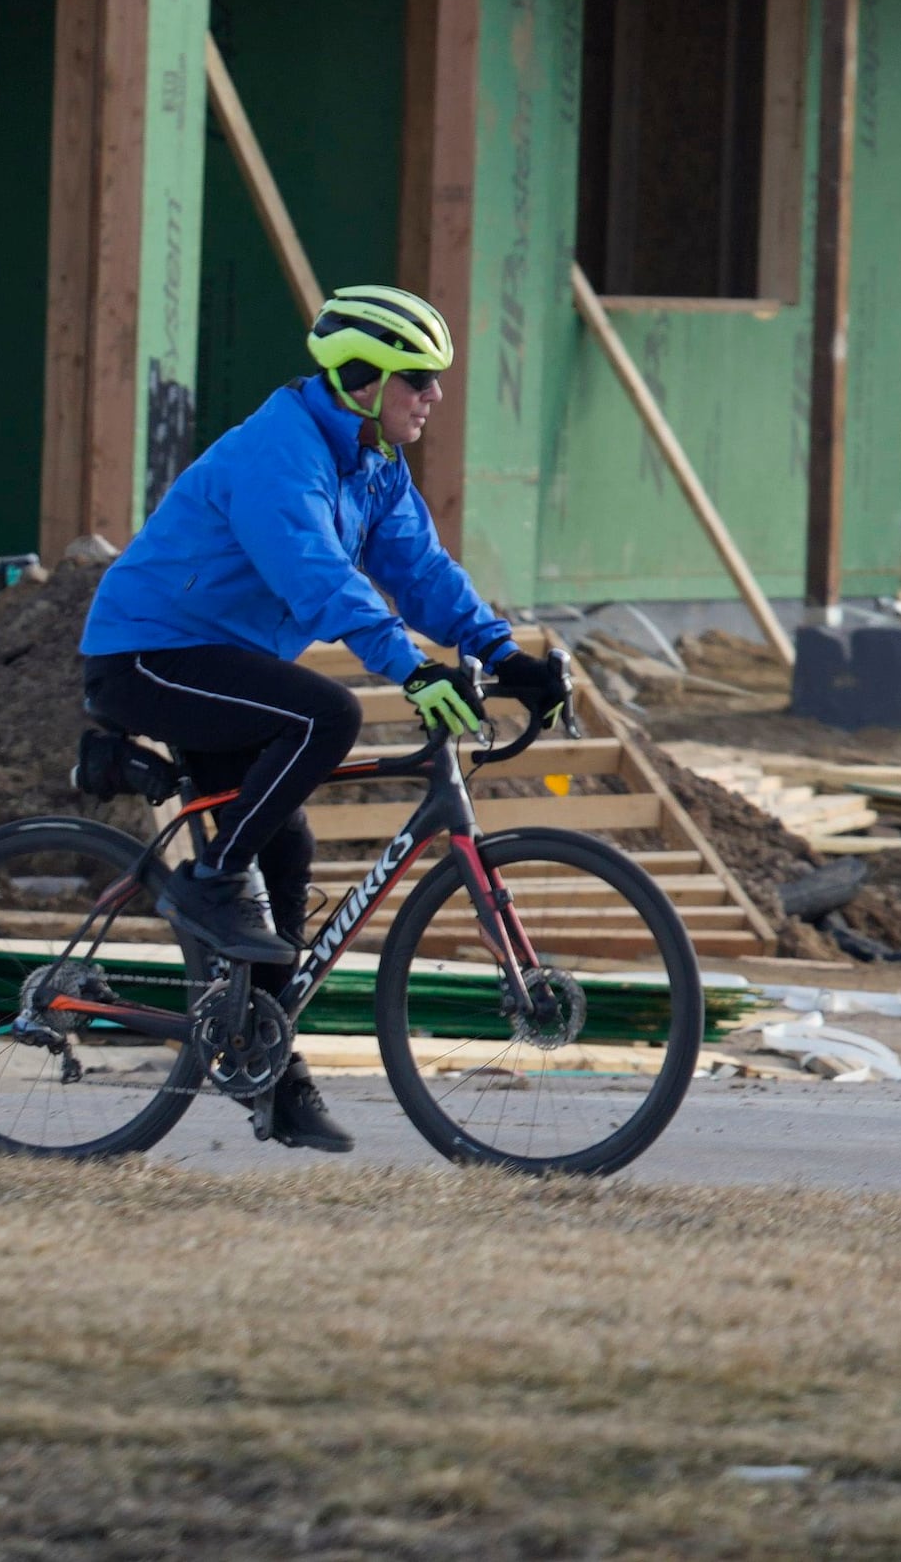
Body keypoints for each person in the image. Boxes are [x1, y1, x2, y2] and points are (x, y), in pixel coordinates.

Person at [78, 283, 565, 1153]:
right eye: (419, 377)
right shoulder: (282, 451)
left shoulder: (373, 464)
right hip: (147, 655)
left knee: (291, 843)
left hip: (226, 664)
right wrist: (410, 671)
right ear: (363, 377)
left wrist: (506, 657)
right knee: (325, 715)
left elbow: (422, 573)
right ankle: (208, 881)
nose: (435, 396)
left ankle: (268, 1066)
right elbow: (316, 578)